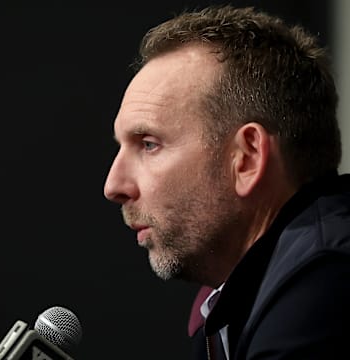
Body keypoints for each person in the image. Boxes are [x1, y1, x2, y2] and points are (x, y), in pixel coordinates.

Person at [103, 3, 350, 359]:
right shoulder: (236, 293)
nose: (114, 186)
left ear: (246, 157)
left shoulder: (326, 282)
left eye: (149, 144)